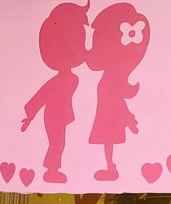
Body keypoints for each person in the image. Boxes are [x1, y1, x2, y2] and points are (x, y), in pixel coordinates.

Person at [21, 2, 90, 184]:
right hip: (53, 116)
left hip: (59, 116)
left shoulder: (72, 78)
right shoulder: (61, 80)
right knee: (57, 143)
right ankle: (52, 170)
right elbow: (41, 96)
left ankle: (51, 168)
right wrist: (30, 115)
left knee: (59, 142)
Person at [87, 3, 150, 181]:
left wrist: (127, 118)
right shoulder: (111, 77)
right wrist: (128, 118)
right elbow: (117, 101)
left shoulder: (111, 78)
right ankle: (110, 166)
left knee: (109, 141)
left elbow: (116, 102)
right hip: (110, 118)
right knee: (108, 142)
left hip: (110, 120)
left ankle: (110, 167)